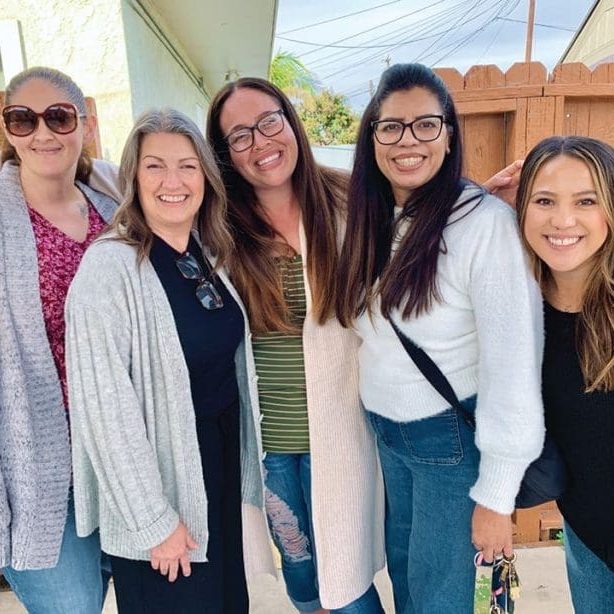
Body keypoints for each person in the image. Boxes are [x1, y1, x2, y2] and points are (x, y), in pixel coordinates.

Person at [335, 62, 545, 613]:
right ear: (372, 136)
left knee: (446, 598)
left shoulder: (483, 224)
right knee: (409, 580)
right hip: (387, 436)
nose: (408, 141)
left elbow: (514, 362)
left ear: (449, 133)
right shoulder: (371, 219)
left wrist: (497, 495)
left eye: (425, 124)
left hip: (449, 442)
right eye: (391, 126)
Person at [64, 108, 274, 614]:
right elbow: (104, 412)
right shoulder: (109, 268)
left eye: (188, 165)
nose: (173, 181)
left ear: (206, 175)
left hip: (215, 474)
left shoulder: (205, 251)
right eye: (155, 166)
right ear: (133, 177)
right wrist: (153, 521)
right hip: (160, 488)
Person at [207, 78, 386, 613]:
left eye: (268, 121)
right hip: (270, 445)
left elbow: (418, 235)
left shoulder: (350, 201)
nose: (260, 142)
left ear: (290, 121)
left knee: (347, 581)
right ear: (226, 155)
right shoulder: (218, 228)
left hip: (342, 433)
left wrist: (474, 204)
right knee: (302, 575)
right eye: (239, 136)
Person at [0, 66, 117, 613]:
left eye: (59, 116)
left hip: (118, 459)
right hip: (37, 473)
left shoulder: (114, 212)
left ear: (85, 124)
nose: (42, 133)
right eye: (22, 119)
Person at [515, 135, 614, 612]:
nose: (563, 220)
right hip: (588, 542)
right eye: (544, 200)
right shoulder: (519, 315)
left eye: (586, 201)